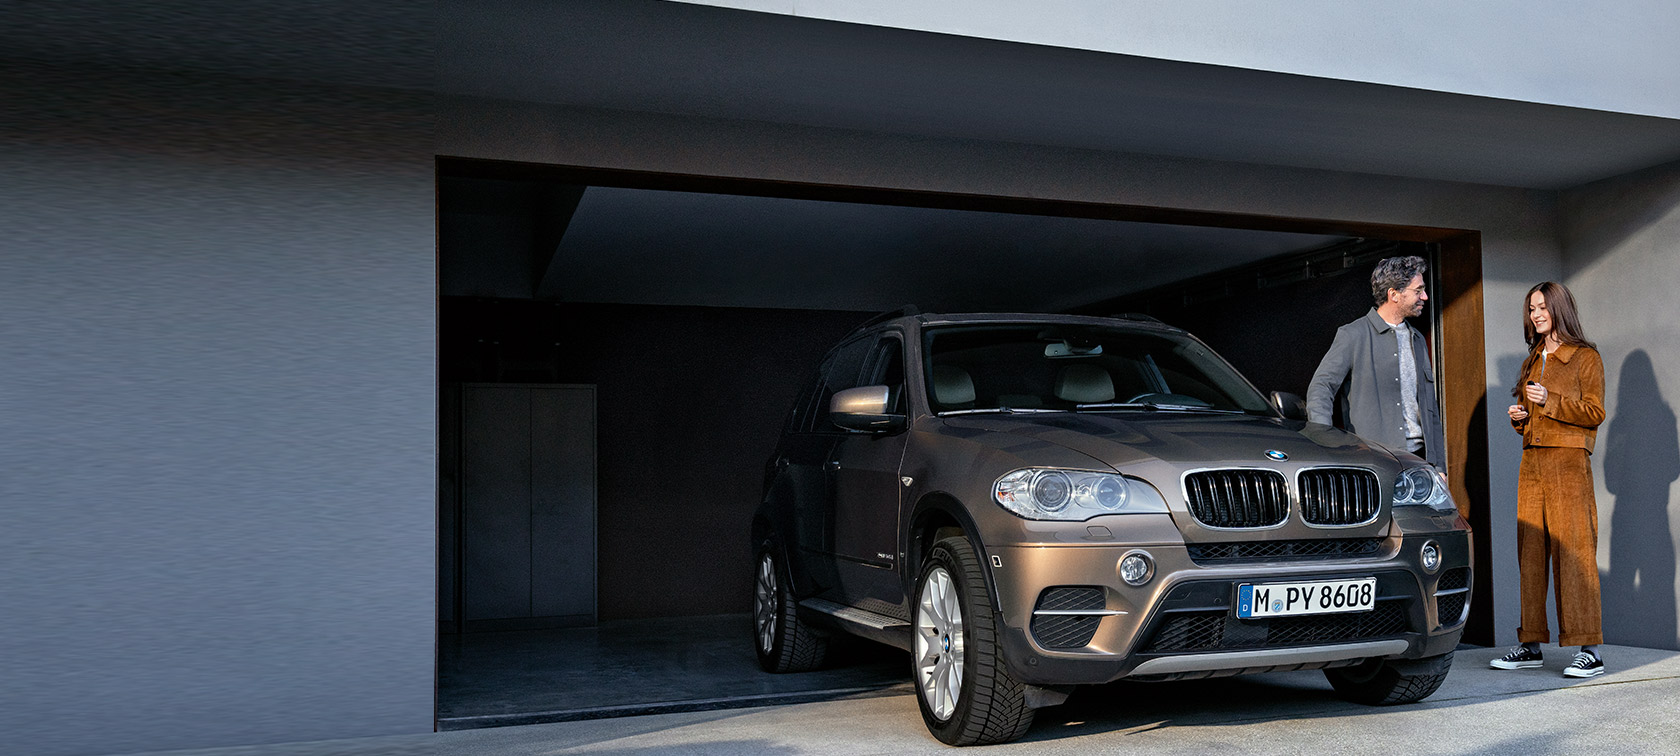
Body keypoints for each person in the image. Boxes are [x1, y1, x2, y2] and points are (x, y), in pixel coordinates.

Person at [1490, 281, 1607, 677]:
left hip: (1569, 465)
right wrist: (1520, 419)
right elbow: (1532, 416)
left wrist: (1549, 402)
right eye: (1531, 309)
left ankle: (1589, 648)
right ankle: (1530, 643)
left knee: (1574, 554)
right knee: (1531, 554)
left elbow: (1594, 412)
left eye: (1541, 307)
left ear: (1559, 308)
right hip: (1533, 466)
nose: (1535, 315)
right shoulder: (1534, 357)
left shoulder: (1585, 358)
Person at [1306, 256, 1444, 467]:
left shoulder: (1417, 339)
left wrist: (1438, 465)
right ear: (1394, 294)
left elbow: (1429, 408)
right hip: (1372, 460)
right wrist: (1324, 439)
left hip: (1419, 460)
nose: (1424, 297)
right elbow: (1321, 387)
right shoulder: (1353, 335)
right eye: (1418, 291)